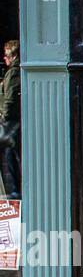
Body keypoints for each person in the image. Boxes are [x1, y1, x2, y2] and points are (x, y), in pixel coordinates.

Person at [0, 39, 19, 199]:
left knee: (9, 156)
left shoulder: (13, 72)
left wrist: (4, 117)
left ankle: (13, 194)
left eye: (6, 56)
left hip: (11, 123)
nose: (4, 59)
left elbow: (10, 99)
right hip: (17, 122)